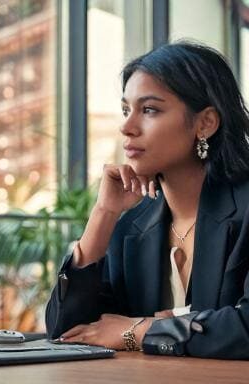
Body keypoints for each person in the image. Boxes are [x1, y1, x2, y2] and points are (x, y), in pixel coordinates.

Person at [45, 41, 249, 359]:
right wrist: (103, 214)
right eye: (126, 110)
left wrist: (137, 330)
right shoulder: (131, 226)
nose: (126, 127)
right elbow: (69, 333)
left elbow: (244, 330)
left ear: (205, 123)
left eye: (149, 110)